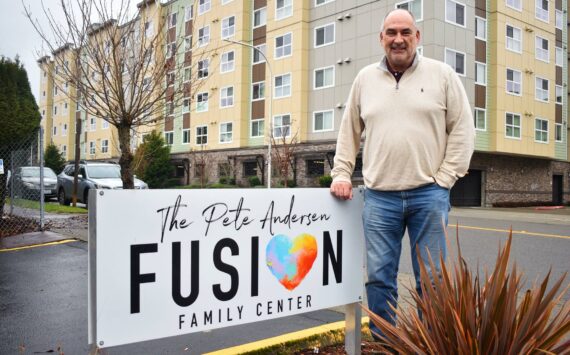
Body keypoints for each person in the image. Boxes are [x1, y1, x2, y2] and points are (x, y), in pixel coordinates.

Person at [330, 9, 475, 338]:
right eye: (391, 32)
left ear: (417, 37)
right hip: (380, 198)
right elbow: (348, 132)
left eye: (406, 32)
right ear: (381, 38)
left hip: (429, 194)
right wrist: (341, 173)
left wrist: (445, 179)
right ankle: (387, 343)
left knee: (434, 280)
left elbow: (464, 130)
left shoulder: (442, 75)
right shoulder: (365, 79)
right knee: (379, 278)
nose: (398, 39)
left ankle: (429, 342)